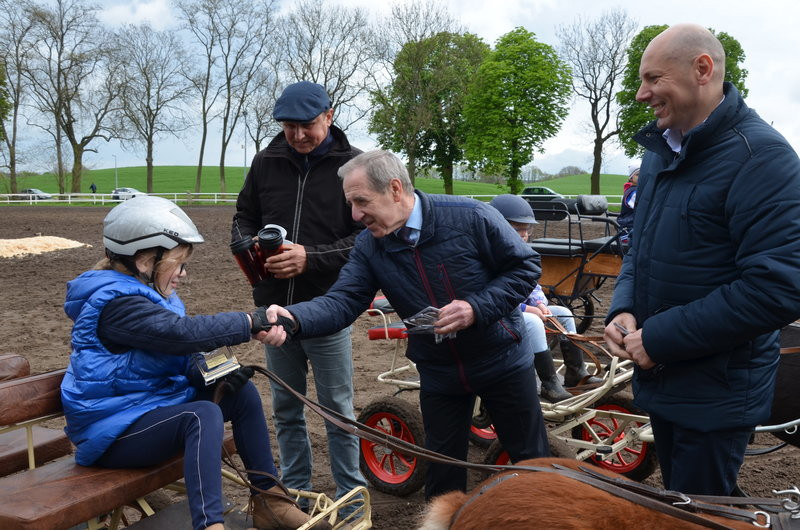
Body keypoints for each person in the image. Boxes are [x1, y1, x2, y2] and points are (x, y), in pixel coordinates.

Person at [258, 150, 550, 500]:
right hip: (439, 371)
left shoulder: (471, 217)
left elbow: (525, 268)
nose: (355, 215)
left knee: (534, 466)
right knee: (442, 476)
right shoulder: (369, 246)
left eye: (361, 201)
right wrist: (295, 317)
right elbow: (343, 301)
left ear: (395, 189)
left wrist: (476, 307)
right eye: (350, 204)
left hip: (501, 360)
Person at [603, 24, 800, 496]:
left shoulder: (764, 158)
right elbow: (640, 249)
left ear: (703, 70)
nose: (640, 93)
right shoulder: (658, 155)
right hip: (662, 375)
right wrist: (623, 308)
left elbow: (779, 287)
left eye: (652, 79)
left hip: (717, 392)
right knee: (681, 505)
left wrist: (663, 338)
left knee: (699, 512)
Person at [61, 196, 330, 530]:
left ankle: (271, 502)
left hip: (148, 411)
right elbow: (179, 335)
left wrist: (217, 375)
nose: (184, 273)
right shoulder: (117, 305)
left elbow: (181, 355)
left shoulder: (154, 296)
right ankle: (210, 525)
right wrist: (250, 322)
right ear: (146, 260)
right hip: (110, 433)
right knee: (200, 415)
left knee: (241, 394)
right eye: (178, 263)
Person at [231, 81, 366, 505]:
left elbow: (367, 236)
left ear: (329, 115)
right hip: (275, 310)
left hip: (327, 309)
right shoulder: (266, 161)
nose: (297, 135)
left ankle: (351, 495)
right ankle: (297, 493)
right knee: (286, 411)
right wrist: (248, 245)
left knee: (337, 411)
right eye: (288, 126)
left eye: (306, 125)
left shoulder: (356, 166)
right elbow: (242, 217)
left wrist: (312, 257)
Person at [489, 194, 600, 402]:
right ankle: (548, 383)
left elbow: (533, 286)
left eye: (526, 230)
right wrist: (527, 310)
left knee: (564, 313)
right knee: (533, 322)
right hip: (499, 316)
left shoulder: (520, 254)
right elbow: (493, 296)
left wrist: (540, 303)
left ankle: (575, 372)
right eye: (517, 229)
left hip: (521, 311)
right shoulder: (491, 259)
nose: (523, 235)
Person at [617, 162, 639, 242]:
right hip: (628, 230)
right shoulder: (632, 193)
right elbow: (642, 208)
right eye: (638, 175)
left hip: (635, 227)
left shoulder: (639, 190)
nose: (641, 177)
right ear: (631, 178)